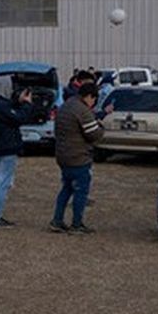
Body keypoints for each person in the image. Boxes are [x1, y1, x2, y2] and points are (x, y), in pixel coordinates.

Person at [50, 82, 103, 234]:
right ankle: (77, 224)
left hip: (63, 155)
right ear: (89, 97)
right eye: (94, 99)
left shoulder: (66, 105)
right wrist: (100, 126)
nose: (93, 103)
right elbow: (94, 134)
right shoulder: (83, 111)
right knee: (81, 191)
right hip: (78, 157)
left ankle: (57, 220)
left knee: (66, 189)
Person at [0, 77, 36, 227]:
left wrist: (19, 102)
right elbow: (20, 118)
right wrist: (27, 104)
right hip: (8, 146)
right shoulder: (1, 106)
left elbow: (9, 112)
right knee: (4, 182)